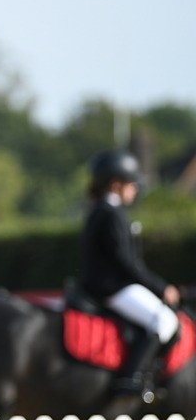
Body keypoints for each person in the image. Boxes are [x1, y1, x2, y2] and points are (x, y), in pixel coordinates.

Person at [79, 149, 180, 398]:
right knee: (164, 321)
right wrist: (160, 287)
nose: (135, 190)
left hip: (106, 284)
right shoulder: (112, 213)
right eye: (131, 184)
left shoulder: (100, 210)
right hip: (112, 288)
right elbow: (126, 261)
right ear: (115, 184)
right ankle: (129, 379)